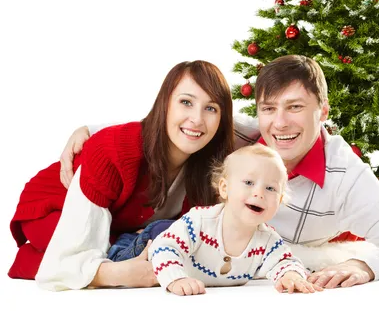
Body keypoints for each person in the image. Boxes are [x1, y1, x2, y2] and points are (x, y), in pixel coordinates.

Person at [56, 55, 379, 288]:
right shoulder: (244, 137)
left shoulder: (345, 175)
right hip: (156, 241)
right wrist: (90, 130)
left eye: (295, 107)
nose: (280, 123)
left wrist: (362, 265)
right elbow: (177, 122)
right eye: (269, 108)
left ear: (322, 112)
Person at [8, 60, 235, 290]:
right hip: (54, 205)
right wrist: (115, 274)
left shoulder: (214, 161)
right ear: (165, 104)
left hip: (117, 223)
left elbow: (265, 126)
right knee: (102, 250)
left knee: (154, 241)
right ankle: (32, 261)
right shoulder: (114, 149)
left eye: (211, 108)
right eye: (186, 102)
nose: (197, 119)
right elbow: (71, 256)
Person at [150, 144, 321, 295]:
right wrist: (175, 279)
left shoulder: (267, 240)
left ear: (280, 199)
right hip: (151, 238)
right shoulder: (199, 221)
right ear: (225, 188)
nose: (259, 193)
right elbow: (164, 247)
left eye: (270, 188)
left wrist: (291, 275)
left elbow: (285, 261)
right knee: (139, 258)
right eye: (248, 182)